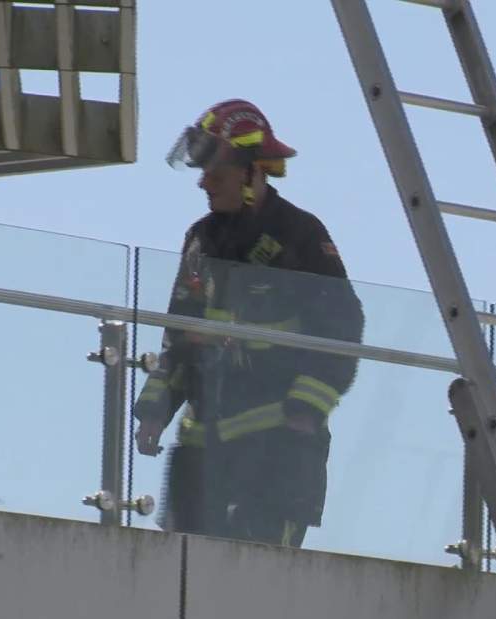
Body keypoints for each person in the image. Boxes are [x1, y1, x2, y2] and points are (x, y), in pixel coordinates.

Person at [133, 99, 364, 547]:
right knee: (181, 580)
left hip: (275, 447)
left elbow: (342, 329)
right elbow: (179, 334)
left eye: (215, 171)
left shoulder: (300, 235)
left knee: (259, 584)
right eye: (201, 170)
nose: (204, 182)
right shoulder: (200, 239)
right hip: (200, 451)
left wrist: (305, 410)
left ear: (251, 172)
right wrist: (154, 412)